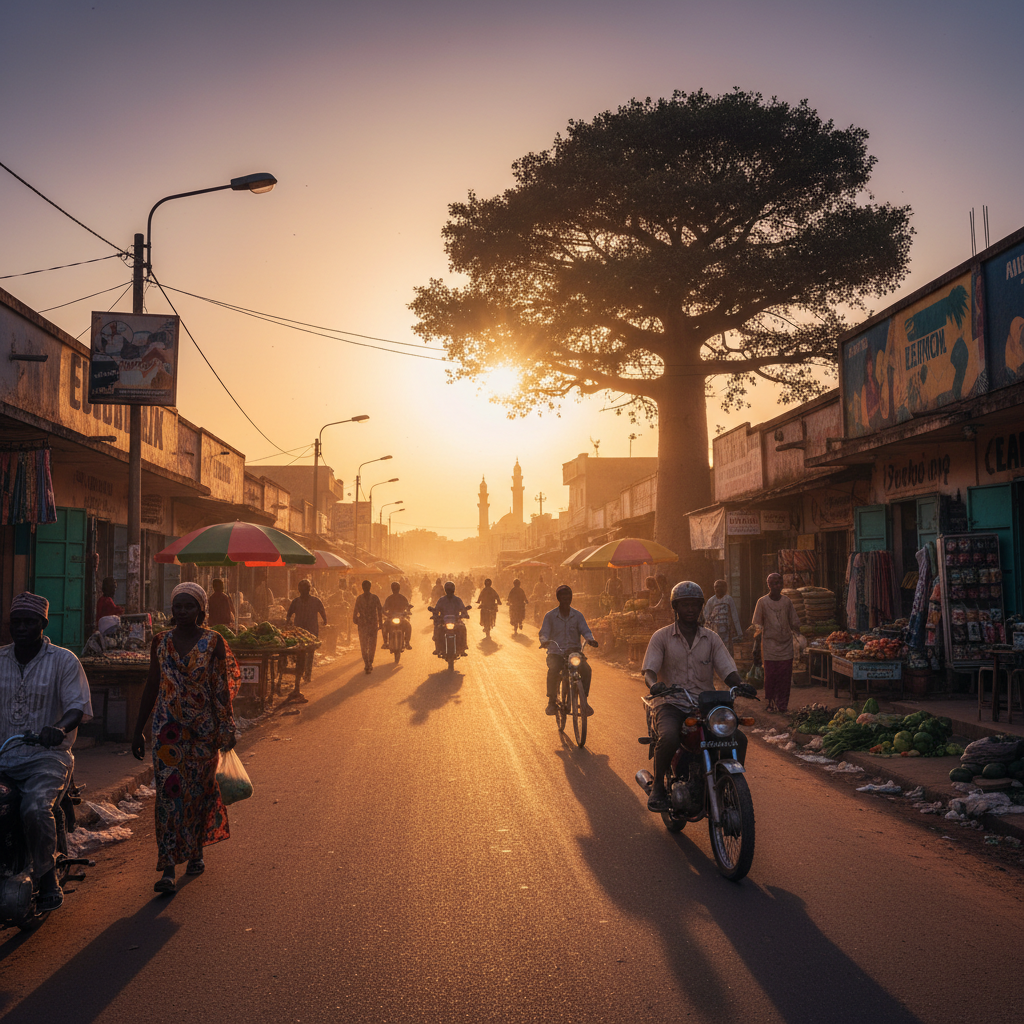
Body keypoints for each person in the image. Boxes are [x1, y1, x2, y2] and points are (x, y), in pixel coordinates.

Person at [131, 582, 238, 893]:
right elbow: (152, 684)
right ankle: (167, 867)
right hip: (168, 731)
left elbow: (221, 688)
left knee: (198, 794)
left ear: (201, 610)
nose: (182, 611)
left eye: (188, 606)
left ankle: (196, 852)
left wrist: (227, 727)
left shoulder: (214, 642)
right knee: (169, 797)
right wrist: (138, 729)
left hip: (204, 732)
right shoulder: (160, 642)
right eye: (177, 606)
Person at [0, 593, 93, 911]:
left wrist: (59, 729)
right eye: (16, 622)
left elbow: (76, 707)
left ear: (43, 623)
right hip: (4, 756)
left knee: (35, 807)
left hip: (46, 758)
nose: (21, 628)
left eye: (29, 622)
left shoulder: (64, 661)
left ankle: (47, 876)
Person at [641, 581, 749, 812]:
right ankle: (658, 787)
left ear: (701, 607)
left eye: (694, 604)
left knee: (738, 739)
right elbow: (649, 670)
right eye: (685, 604)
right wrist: (654, 685)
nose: (690, 609)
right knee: (669, 737)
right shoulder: (661, 637)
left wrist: (740, 684)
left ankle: (728, 786)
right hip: (671, 703)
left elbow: (727, 670)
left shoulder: (711, 638)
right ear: (676, 608)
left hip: (704, 704)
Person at [538, 585, 598, 716]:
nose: (566, 598)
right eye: (563, 596)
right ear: (558, 598)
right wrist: (544, 641)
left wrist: (590, 639)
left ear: (571, 598)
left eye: (568, 596)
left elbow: (586, 630)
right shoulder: (550, 616)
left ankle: (584, 701)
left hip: (574, 653)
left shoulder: (578, 615)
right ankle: (551, 702)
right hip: (556, 653)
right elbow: (544, 632)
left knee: (586, 670)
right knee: (554, 670)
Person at [752, 573, 803, 714]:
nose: (777, 586)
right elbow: (757, 625)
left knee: (785, 677)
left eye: (780, 583)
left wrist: (800, 637)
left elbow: (794, 622)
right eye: (774, 583)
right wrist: (756, 647)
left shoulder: (787, 602)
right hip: (769, 646)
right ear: (768, 585)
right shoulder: (762, 602)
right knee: (770, 677)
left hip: (786, 645)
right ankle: (770, 703)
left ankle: (783, 705)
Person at [287, 579, 328, 688]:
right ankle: (301, 673)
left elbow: (323, 612)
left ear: (308, 590)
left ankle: (306, 674)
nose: (304, 591)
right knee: (301, 653)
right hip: (299, 632)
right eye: (302, 589)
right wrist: (288, 622)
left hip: (311, 632)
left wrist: (325, 620)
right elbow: (289, 614)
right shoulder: (296, 602)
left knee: (309, 653)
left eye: (305, 589)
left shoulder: (315, 601)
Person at [430, 581, 469, 656]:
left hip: (456, 621)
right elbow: (436, 610)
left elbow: (463, 609)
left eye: (450, 590)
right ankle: (437, 648)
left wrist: (465, 614)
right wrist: (435, 615)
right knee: (437, 629)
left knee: (463, 628)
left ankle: (463, 648)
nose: (449, 592)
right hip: (443, 621)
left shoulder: (458, 600)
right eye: (448, 590)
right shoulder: (441, 600)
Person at [352, 579, 384, 674]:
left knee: (364, 645)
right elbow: (380, 611)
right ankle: (369, 662)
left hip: (363, 625)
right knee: (371, 644)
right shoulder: (374, 598)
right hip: (372, 624)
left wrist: (357, 621)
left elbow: (355, 613)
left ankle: (367, 663)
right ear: (370, 587)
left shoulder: (359, 598)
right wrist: (380, 623)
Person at [703, 579, 742, 652]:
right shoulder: (711, 601)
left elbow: (735, 616)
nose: (718, 589)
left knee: (726, 651)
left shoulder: (728, 599)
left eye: (720, 586)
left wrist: (739, 633)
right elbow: (706, 617)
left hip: (727, 631)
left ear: (725, 588)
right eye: (716, 587)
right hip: (715, 631)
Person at [382, 581, 413, 650]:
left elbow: (407, 606)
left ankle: (407, 643)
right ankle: (385, 643)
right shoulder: (389, 598)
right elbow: (384, 608)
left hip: (401, 617)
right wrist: (384, 612)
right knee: (384, 626)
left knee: (408, 626)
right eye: (394, 588)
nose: (395, 590)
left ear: (398, 589)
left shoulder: (403, 598)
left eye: (396, 588)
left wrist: (408, 610)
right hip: (390, 618)